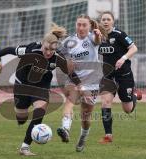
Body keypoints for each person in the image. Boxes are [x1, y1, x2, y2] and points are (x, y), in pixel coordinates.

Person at [0, 23, 79, 156]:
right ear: (42, 44)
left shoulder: (58, 57)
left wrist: (80, 85)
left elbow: (69, 72)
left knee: (40, 111)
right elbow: (9, 50)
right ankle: (21, 118)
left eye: (52, 50)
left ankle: (25, 147)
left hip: (41, 86)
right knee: (21, 117)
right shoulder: (31, 49)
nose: (49, 53)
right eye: (46, 49)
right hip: (23, 85)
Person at [56, 14, 103, 152]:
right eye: (79, 24)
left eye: (84, 25)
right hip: (74, 80)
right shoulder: (69, 41)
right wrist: (67, 64)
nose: (81, 27)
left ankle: (83, 137)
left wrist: (98, 34)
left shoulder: (92, 37)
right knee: (70, 100)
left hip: (92, 81)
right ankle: (65, 129)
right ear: (75, 25)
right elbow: (59, 56)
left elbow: (98, 40)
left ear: (89, 26)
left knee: (85, 116)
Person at [97, 11, 142, 144]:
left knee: (127, 110)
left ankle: (133, 95)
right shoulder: (98, 36)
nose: (105, 21)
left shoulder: (119, 34)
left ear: (113, 21)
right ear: (100, 22)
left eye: (108, 19)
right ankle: (108, 135)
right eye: (103, 19)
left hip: (124, 75)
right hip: (108, 75)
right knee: (105, 102)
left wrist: (123, 58)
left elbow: (134, 48)